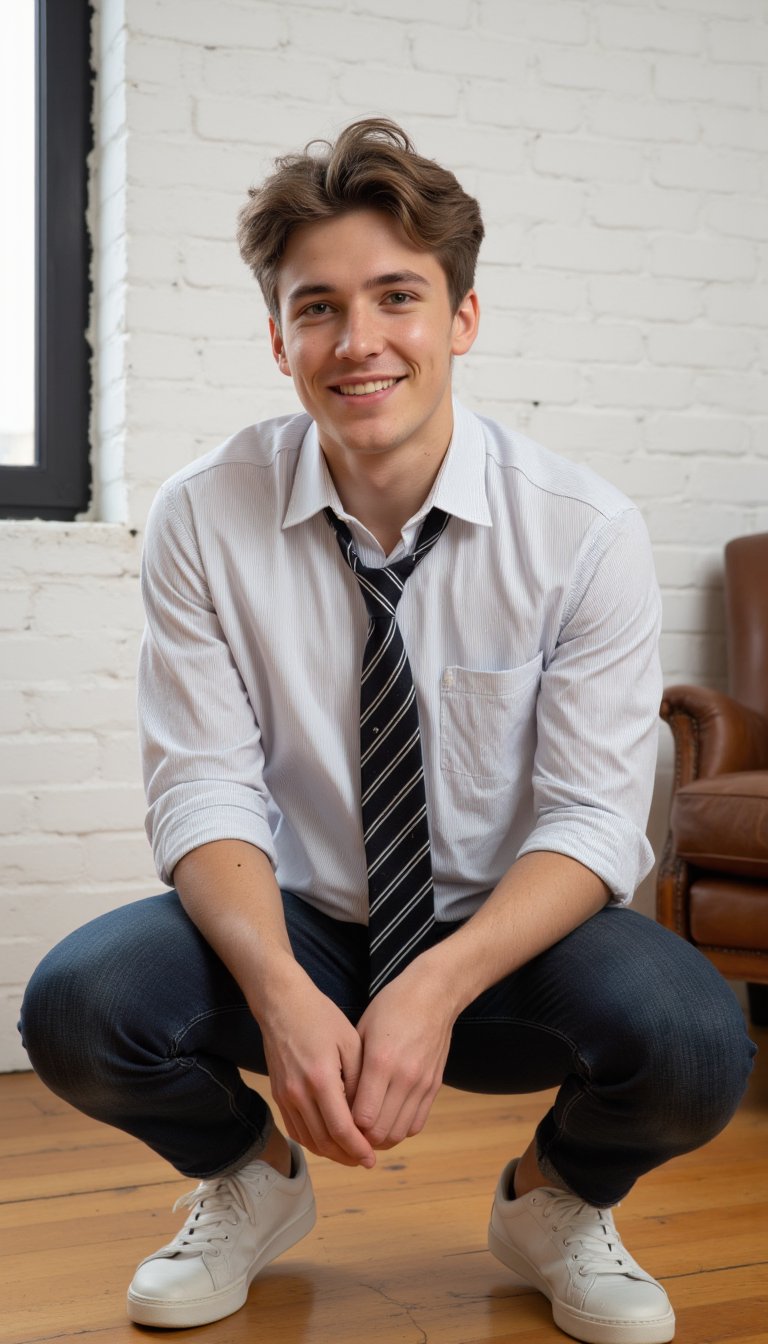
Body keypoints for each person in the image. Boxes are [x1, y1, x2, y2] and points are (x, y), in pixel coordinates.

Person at [20, 119, 754, 1344]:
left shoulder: (583, 530)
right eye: (318, 308)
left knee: (695, 1042)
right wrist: (282, 990)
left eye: (397, 297)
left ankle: (557, 1202)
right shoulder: (207, 515)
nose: (358, 343)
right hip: (299, 923)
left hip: (504, 942)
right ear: (278, 339)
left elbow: (591, 819)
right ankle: (251, 1180)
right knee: (79, 1006)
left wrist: (433, 986)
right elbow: (203, 788)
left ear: (462, 319)